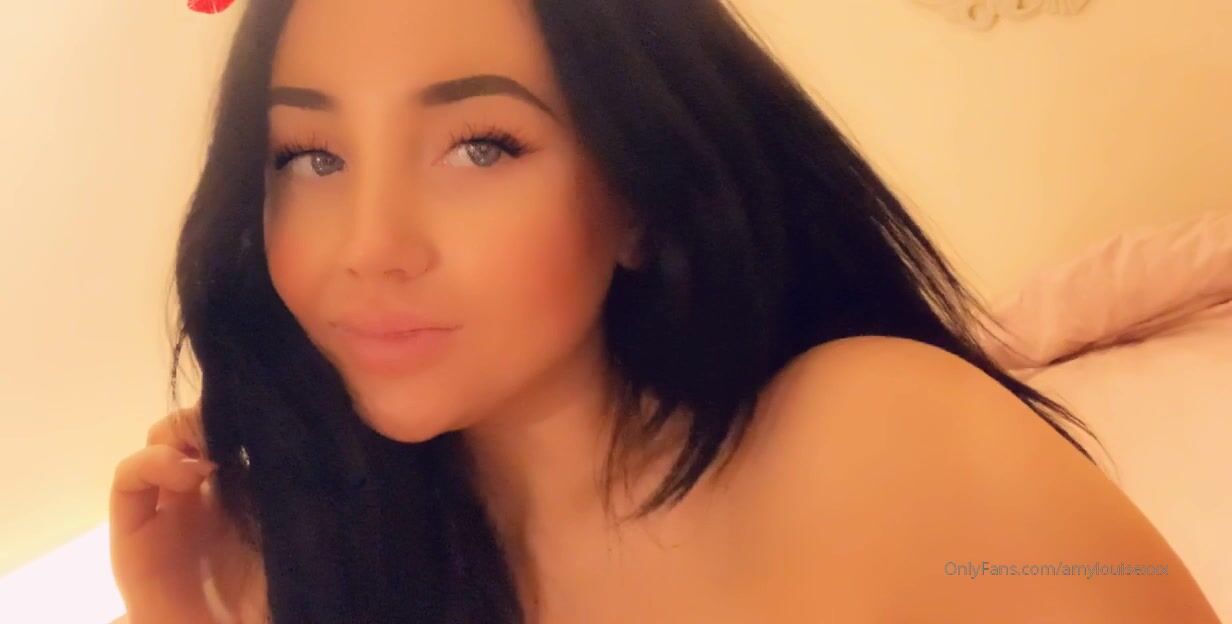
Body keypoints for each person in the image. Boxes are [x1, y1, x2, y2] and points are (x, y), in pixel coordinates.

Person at [109, 1, 1220, 622]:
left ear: (640, 192)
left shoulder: (884, 435)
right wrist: (177, 608)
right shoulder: (318, 559)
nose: (369, 246)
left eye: (480, 147)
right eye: (309, 157)